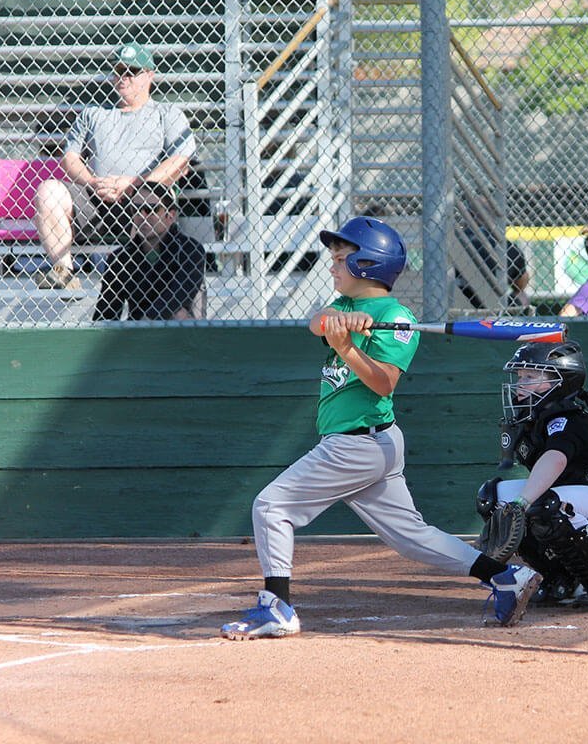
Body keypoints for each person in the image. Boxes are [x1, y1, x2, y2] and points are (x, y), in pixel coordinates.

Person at [221, 216, 541, 639]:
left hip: (358, 444)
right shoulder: (347, 307)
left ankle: (276, 607)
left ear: (368, 266)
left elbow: (383, 381)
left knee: (271, 506)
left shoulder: (397, 316)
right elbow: (315, 322)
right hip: (369, 443)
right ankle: (505, 577)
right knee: (411, 537)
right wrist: (339, 326)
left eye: (340, 259)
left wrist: (347, 348)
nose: (332, 266)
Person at [478, 340, 588, 612]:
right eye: (519, 376)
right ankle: (559, 579)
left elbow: (556, 459)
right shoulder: (534, 424)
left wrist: (521, 503)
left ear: (560, 382)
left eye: (530, 376)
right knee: (492, 498)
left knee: (543, 503)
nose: (519, 384)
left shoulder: (569, 419)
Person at [33, 42, 197, 290]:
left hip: (143, 197)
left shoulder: (167, 113)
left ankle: (150, 278)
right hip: (96, 196)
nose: (124, 78)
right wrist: (92, 183)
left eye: (132, 71)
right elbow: (70, 157)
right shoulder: (94, 113)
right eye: (119, 71)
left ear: (149, 75)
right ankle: (63, 272)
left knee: (153, 200)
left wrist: (133, 184)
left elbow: (180, 160)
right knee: (48, 191)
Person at [91, 182, 206, 321]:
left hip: (182, 335)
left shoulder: (190, 250)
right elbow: (105, 314)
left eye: (151, 209)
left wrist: (146, 323)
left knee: (178, 314)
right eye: (136, 209)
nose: (142, 215)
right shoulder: (120, 258)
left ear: (170, 215)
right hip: (137, 336)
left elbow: (175, 299)